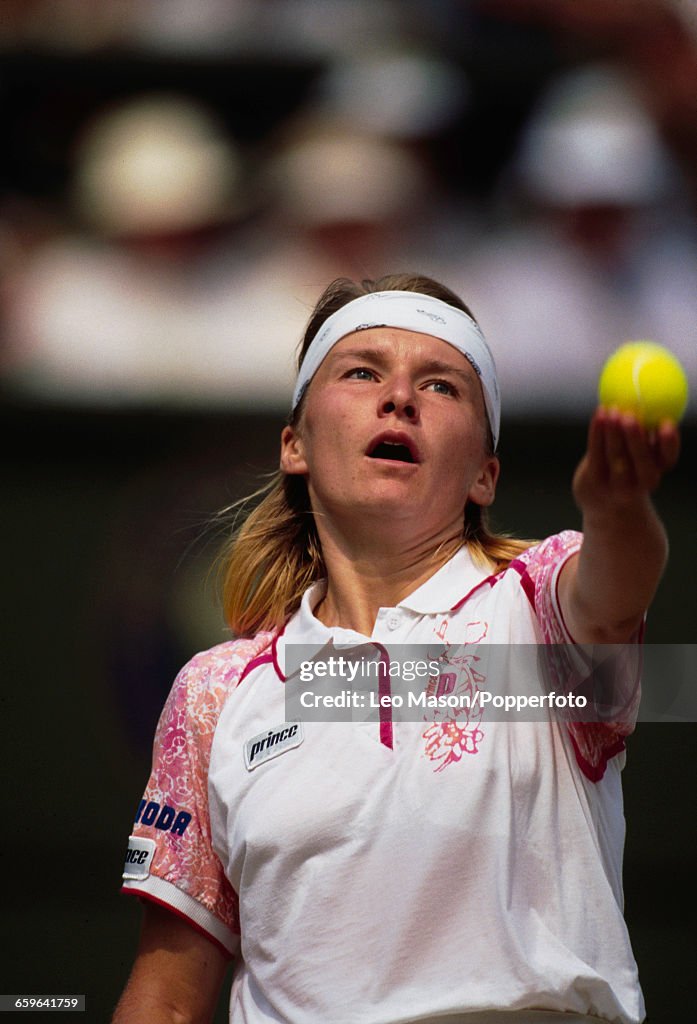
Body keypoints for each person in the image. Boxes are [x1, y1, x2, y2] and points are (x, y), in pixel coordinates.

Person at [114, 273, 679, 1024]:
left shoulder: (537, 606)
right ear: (295, 444)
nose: (400, 397)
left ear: (485, 474)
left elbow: (612, 596)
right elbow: (167, 1002)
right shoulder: (216, 692)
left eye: (441, 385)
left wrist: (617, 509)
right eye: (361, 372)